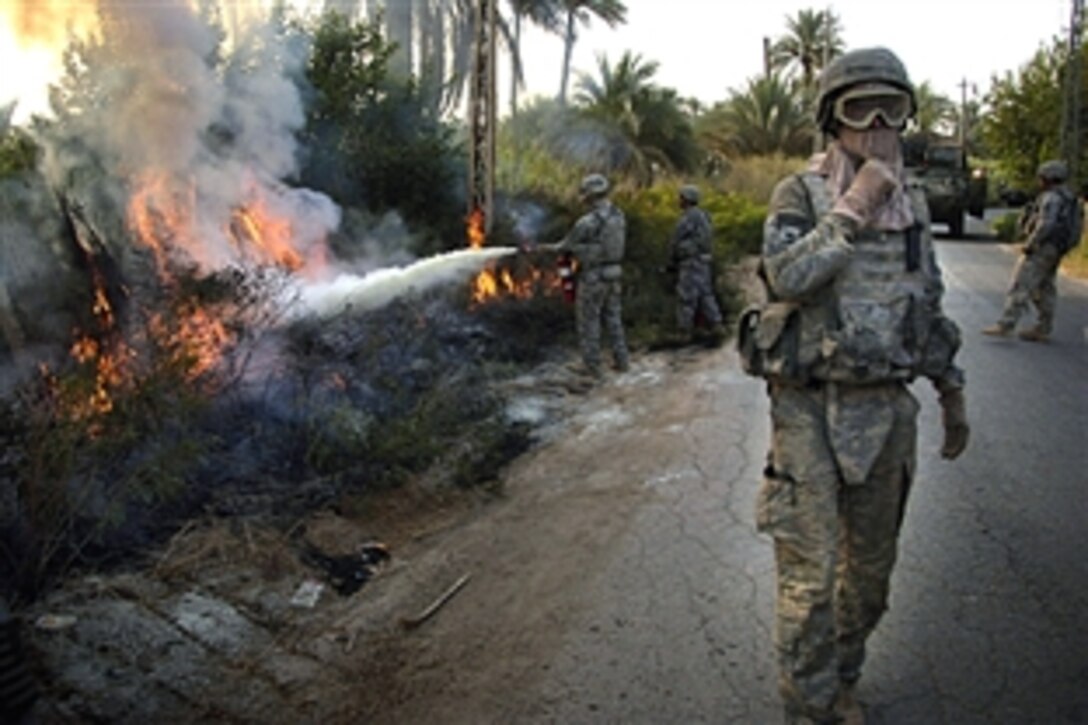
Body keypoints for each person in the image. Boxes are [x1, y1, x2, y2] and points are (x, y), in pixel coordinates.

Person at [738, 47, 969, 724]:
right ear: (830, 122)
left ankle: (841, 679)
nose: (874, 125)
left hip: (887, 408)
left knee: (868, 581)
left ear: (906, 119)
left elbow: (924, 302)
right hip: (809, 407)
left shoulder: (916, 206)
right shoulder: (799, 195)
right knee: (809, 583)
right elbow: (785, 277)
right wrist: (854, 207)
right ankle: (807, 708)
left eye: (890, 109)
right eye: (857, 109)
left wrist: (950, 389)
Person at [982, 160, 1084, 342]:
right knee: (1045, 287)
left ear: (1048, 178)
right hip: (1057, 248)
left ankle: (1006, 323)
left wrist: (1031, 243)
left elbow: (1046, 224)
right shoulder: (1069, 198)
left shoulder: (1051, 198)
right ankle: (1043, 328)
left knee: (1022, 283)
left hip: (1043, 247)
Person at [553, 173, 629, 378]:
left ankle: (592, 366)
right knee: (614, 318)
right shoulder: (618, 215)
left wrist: (542, 248)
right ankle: (622, 360)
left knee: (589, 321)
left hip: (594, 277)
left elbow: (566, 246)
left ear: (590, 196)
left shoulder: (588, 222)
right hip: (614, 274)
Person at [668, 184, 725, 343]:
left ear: (686, 199)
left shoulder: (688, 218)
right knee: (706, 294)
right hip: (704, 261)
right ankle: (716, 325)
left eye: (681, 198)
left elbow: (676, 239)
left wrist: (671, 260)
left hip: (690, 261)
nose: (679, 201)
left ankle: (684, 331)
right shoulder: (704, 216)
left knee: (687, 296)